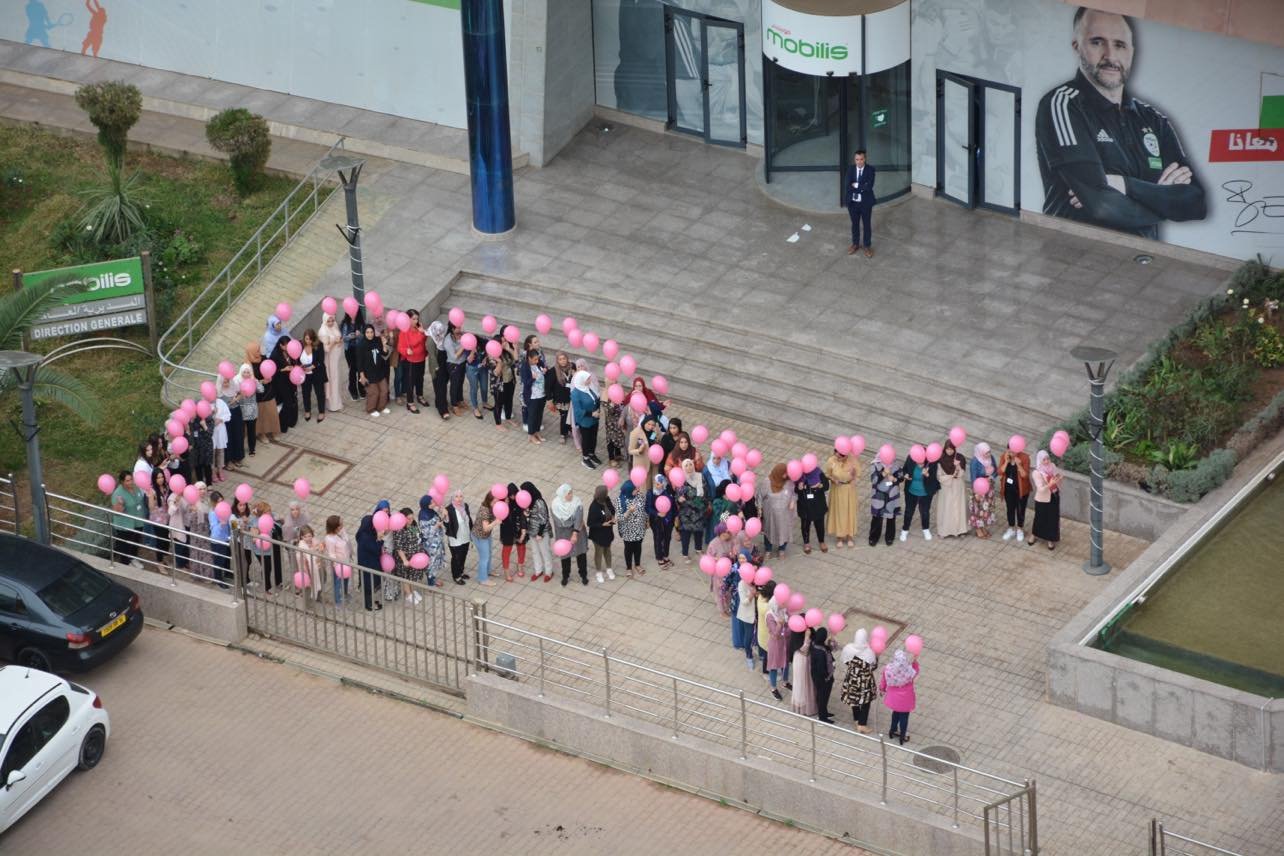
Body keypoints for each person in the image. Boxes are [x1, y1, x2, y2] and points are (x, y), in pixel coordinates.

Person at [1035, 8, 1205, 240]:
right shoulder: (1063, 104)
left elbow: (1195, 203)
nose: (1110, 56)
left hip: (1143, 259)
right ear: (1077, 47)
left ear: (1132, 52)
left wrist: (1123, 185)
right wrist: (1163, 201)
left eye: (1120, 45)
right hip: (1075, 253)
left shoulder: (1154, 121)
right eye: (1097, 42)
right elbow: (1102, 206)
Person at [839, 629, 879, 734]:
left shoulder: (848, 648)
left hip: (852, 679)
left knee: (853, 699)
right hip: (865, 682)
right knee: (866, 702)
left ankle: (857, 719)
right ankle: (862, 725)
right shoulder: (869, 652)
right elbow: (873, 666)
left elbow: (845, 661)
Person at [551, 484, 589, 586]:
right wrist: (572, 522)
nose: (571, 495)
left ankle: (583, 575)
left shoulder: (577, 503)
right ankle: (565, 576)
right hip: (563, 534)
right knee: (565, 556)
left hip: (577, 534)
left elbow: (579, 518)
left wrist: (575, 532)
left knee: (581, 554)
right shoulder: (555, 505)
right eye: (569, 493)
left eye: (571, 492)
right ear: (563, 495)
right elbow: (559, 522)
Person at [880, 649, 919, 745]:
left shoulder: (888, 669)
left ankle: (892, 730)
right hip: (906, 699)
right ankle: (902, 735)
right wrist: (914, 661)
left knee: (895, 713)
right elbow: (916, 671)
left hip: (893, 698)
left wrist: (882, 689)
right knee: (904, 717)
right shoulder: (909, 671)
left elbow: (883, 681)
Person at [900, 448, 940, 542]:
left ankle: (925, 529)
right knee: (909, 511)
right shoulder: (911, 458)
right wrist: (905, 475)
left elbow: (934, 480)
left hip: (925, 493)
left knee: (925, 512)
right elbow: (905, 469)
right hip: (911, 491)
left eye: (922, 463)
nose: (920, 464)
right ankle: (905, 530)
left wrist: (927, 475)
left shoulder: (931, 462)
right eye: (918, 463)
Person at [825, 447, 861, 548]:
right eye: (836, 453)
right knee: (839, 513)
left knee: (850, 512)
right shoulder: (831, 460)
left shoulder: (853, 460)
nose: (837, 456)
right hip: (837, 489)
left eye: (840, 455)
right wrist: (833, 479)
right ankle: (839, 537)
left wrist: (854, 478)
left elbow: (858, 474)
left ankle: (850, 536)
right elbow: (827, 474)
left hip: (849, 489)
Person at [110, 471, 147, 565]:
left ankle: (133, 558)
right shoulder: (118, 494)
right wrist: (120, 504)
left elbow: (140, 500)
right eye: (127, 481)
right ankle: (125, 562)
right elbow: (116, 513)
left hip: (138, 521)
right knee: (125, 545)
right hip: (125, 525)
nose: (130, 482)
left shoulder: (136, 487)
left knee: (136, 541)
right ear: (122, 482)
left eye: (131, 479)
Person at [845, 150, 876, 258]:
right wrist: (861, 186)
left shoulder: (870, 170)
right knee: (855, 224)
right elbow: (848, 186)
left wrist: (856, 185)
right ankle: (855, 244)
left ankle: (867, 246)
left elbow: (869, 187)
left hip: (865, 203)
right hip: (853, 203)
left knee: (866, 225)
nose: (859, 162)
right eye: (857, 159)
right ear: (855, 159)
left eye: (861, 159)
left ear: (865, 159)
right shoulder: (850, 169)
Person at [761, 583, 790, 700]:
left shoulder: (782, 611)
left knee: (786, 663)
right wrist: (780, 624)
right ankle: (773, 688)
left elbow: (789, 622)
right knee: (774, 666)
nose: (785, 604)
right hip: (775, 644)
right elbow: (775, 633)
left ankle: (785, 681)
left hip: (784, 642)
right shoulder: (770, 616)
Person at [998, 441, 1032, 542]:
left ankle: (1020, 529)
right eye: (1009, 450)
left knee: (1020, 510)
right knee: (1010, 509)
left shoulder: (1025, 457)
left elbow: (1025, 476)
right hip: (1008, 490)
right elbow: (1000, 472)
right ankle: (1011, 528)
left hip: (1021, 490)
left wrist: (1019, 464)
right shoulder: (1004, 456)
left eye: (1013, 451)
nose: (1011, 453)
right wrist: (1006, 462)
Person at [1029, 450, 1063, 550]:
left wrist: (1059, 478)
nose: (1047, 461)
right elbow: (1040, 489)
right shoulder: (1036, 472)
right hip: (1042, 499)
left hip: (1054, 496)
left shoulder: (1052, 466)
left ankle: (1050, 539)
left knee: (1052, 518)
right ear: (1040, 460)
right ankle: (1034, 535)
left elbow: (1058, 475)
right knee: (1040, 518)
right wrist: (1050, 484)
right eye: (1044, 459)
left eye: (1048, 458)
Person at [246, 344, 280, 443]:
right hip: (258, 392)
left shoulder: (264, 358)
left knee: (271, 412)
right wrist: (261, 382)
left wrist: (270, 378)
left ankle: (273, 431)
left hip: (269, 390)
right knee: (261, 414)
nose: (258, 352)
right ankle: (261, 434)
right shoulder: (248, 364)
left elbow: (271, 369)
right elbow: (248, 380)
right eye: (256, 351)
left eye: (258, 350)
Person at [674, 458, 707, 562]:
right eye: (686, 465)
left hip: (699, 509)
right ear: (683, 468)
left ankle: (698, 549)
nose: (689, 467)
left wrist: (700, 502)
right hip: (686, 512)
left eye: (690, 464)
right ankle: (685, 553)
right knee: (686, 533)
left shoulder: (700, 476)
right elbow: (678, 496)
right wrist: (679, 499)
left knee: (698, 531)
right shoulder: (681, 479)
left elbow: (704, 491)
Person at [936, 441, 970, 538]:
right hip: (946, 487)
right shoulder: (941, 459)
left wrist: (957, 466)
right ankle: (945, 531)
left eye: (951, 449)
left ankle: (961, 530)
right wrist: (950, 477)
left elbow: (962, 474)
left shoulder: (960, 458)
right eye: (947, 449)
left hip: (958, 486)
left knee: (959, 507)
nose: (949, 451)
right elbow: (939, 476)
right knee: (947, 507)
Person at [759, 463, 794, 558]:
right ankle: (768, 549)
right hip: (770, 514)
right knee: (769, 530)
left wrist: (793, 501)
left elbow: (794, 493)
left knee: (784, 530)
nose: (785, 475)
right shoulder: (767, 482)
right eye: (784, 473)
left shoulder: (789, 482)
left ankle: (782, 549)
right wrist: (759, 509)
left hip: (785, 515)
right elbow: (759, 497)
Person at [521, 482, 553, 582]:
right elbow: (530, 515)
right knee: (535, 552)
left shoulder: (539, 502)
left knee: (545, 552)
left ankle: (549, 572)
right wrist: (526, 514)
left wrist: (539, 534)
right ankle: (538, 570)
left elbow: (544, 519)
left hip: (541, 532)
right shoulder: (528, 501)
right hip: (531, 531)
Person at [397, 310, 428, 413]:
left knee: (420, 379)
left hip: (421, 358)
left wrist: (424, 333)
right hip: (411, 361)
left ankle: (420, 395)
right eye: (413, 319)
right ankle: (410, 402)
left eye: (417, 319)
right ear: (408, 319)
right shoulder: (404, 332)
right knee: (411, 381)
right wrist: (406, 350)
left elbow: (424, 341)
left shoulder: (418, 329)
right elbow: (400, 348)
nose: (416, 321)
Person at [794, 464, 829, 554]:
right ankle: (806, 543)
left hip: (818, 503)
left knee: (820, 524)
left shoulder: (819, 473)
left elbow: (826, 486)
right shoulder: (799, 475)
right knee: (805, 525)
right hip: (805, 504)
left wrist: (820, 485)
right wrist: (799, 487)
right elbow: (795, 490)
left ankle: (821, 541)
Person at [357, 325, 391, 417]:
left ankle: (381, 407)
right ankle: (370, 409)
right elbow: (359, 362)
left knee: (384, 390)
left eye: (371, 332)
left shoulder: (377, 340)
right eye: (367, 332)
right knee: (374, 392)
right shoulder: (361, 345)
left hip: (380, 371)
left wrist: (384, 344)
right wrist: (362, 376)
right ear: (364, 333)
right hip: (368, 373)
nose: (370, 334)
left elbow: (384, 353)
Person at [616, 480, 648, 578]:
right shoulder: (620, 500)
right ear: (629, 490)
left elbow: (644, 510)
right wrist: (629, 511)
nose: (638, 490)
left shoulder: (640, 496)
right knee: (629, 549)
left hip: (639, 528)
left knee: (638, 547)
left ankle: (637, 564)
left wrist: (647, 521)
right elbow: (619, 518)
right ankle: (629, 567)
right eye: (635, 489)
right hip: (628, 531)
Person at [868, 458, 902, 547]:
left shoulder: (896, 464)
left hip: (892, 495)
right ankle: (873, 537)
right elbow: (873, 480)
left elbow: (901, 478)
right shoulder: (875, 465)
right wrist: (883, 473)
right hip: (879, 496)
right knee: (877, 518)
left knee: (891, 518)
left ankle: (889, 537)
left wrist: (894, 479)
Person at [268, 336, 299, 433]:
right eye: (286, 346)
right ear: (281, 346)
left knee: (293, 400)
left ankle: (292, 421)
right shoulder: (275, 355)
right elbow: (272, 371)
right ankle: (283, 425)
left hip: (291, 380)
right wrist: (283, 369)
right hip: (281, 383)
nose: (288, 347)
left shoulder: (290, 351)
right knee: (287, 403)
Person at [587, 485, 617, 584]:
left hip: (608, 531)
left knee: (607, 550)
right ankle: (598, 572)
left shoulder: (607, 500)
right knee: (599, 552)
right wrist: (602, 524)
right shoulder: (594, 507)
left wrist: (612, 517)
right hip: (598, 534)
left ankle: (609, 568)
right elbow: (590, 523)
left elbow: (612, 509)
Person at [318, 312, 346, 414]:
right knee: (332, 381)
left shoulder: (335, 325)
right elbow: (326, 349)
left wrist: (340, 341)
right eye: (328, 321)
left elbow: (338, 337)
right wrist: (335, 342)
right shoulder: (323, 332)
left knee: (337, 380)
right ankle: (333, 405)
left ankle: (337, 402)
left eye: (332, 320)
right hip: (329, 361)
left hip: (336, 359)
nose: (330, 323)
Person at [298, 329, 328, 422]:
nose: (308, 341)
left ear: (314, 339)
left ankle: (321, 412)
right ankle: (307, 411)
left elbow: (320, 360)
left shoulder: (319, 345)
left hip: (316, 373)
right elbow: (296, 358)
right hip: (305, 375)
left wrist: (312, 367)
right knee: (305, 393)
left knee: (319, 393)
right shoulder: (300, 345)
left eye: (310, 339)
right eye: (306, 339)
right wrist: (300, 366)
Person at [646, 474, 676, 568]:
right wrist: (657, 513)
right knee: (658, 538)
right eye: (655, 483)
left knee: (667, 538)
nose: (656, 485)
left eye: (658, 483)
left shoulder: (668, 491)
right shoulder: (651, 493)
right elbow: (647, 508)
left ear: (663, 484)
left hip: (668, 520)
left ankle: (666, 556)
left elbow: (673, 505)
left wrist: (676, 517)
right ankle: (659, 558)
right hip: (656, 521)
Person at [969, 442, 998, 538]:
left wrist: (992, 477)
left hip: (989, 487)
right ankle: (978, 529)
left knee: (986, 509)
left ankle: (983, 527)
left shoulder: (991, 458)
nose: (988, 454)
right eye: (986, 453)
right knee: (978, 509)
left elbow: (996, 471)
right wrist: (976, 492)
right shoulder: (975, 461)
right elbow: (973, 477)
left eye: (989, 452)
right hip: (979, 488)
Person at [488, 336, 518, 428]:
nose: (505, 343)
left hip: (510, 381)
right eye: (503, 342)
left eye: (505, 341)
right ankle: (498, 424)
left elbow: (516, 360)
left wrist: (511, 349)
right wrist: (500, 362)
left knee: (509, 401)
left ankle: (508, 418)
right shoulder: (492, 356)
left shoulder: (506, 352)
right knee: (499, 404)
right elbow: (496, 373)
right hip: (500, 385)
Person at [354, 514, 382, 611]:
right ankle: (369, 605)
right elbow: (376, 550)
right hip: (368, 565)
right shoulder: (366, 538)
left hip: (367, 562)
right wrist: (379, 539)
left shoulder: (363, 533)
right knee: (369, 585)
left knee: (369, 584)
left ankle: (370, 601)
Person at [417, 496, 446, 587]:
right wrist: (436, 526)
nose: (434, 503)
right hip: (431, 545)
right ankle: (431, 584)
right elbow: (426, 534)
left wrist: (443, 513)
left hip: (437, 542)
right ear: (427, 505)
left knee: (436, 561)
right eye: (432, 502)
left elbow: (438, 519)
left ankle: (433, 579)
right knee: (432, 563)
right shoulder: (424, 517)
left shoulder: (431, 511)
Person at [499, 483, 526, 581]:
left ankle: (520, 566)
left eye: (514, 494)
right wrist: (505, 505)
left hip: (518, 528)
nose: (513, 497)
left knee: (521, 547)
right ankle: (507, 573)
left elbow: (523, 516)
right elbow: (501, 517)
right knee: (506, 550)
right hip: (507, 530)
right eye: (511, 495)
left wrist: (523, 532)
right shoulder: (503, 502)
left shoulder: (520, 501)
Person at [520, 349, 549, 443]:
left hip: (541, 394)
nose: (537, 361)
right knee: (532, 416)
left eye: (538, 359)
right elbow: (526, 383)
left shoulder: (539, 363)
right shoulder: (525, 367)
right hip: (532, 396)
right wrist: (532, 378)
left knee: (539, 415)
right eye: (535, 359)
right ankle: (531, 435)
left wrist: (545, 371)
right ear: (529, 358)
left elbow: (544, 370)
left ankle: (537, 432)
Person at [731, 559, 756, 667]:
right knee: (748, 636)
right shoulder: (741, 584)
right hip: (747, 615)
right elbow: (744, 602)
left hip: (757, 612)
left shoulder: (755, 581)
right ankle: (749, 656)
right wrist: (751, 595)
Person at [445, 491, 472, 585]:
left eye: (461, 496)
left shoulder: (465, 506)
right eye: (456, 496)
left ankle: (461, 571)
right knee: (456, 557)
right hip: (455, 539)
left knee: (463, 555)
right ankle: (456, 576)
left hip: (465, 536)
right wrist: (445, 516)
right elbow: (446, 523)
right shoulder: (449, 510)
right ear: (453, 498)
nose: (459, 498)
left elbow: (469, 520)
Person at [809, 626, 836, 724]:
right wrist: (827, 677)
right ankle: (822, 717)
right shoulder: (820, 652)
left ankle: (824, 712)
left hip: (818, 677)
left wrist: (831, 641)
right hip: (823, 678)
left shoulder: (816, 645)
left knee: (822, 696)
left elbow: (829, 649)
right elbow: (821, 669)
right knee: (823, 696)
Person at [324, 515, 352, 606]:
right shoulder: (329, 539)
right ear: (335, 527)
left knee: (346, 579)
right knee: (338, 583)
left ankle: (345, 593)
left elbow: (347, 541)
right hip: (338, 566)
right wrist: (337, 567)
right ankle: (337, 601)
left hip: (346, 561)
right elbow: (332, 554)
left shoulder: (341, 531)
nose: (343, 525)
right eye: (340, 524)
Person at [236, 364, 264, 455]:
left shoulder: (253, 381)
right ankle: (240, 450)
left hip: (252, 411)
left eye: (248, 372)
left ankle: (252, 449)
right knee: (241, 432)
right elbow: (233, 395)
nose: (246, 374)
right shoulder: (237, 381)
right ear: (241, 372)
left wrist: (256, 382)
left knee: (251, 431)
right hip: (241, 411)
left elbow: (261, 390)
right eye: (244, 372)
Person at [789, 628, 817, 717]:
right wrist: (807, 636)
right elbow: (804, 650)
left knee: (805, 684)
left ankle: (805, 706)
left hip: (803, 660)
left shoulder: (797, 635)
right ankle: (803, 708)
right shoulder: (800, 637)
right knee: (801, 684)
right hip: (801, 661)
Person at [472, 492, 498, 587]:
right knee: (484, 557)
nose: (496, 504)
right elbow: (486, 528)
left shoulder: (491, 507)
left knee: (489, 553)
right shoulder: (485, 511)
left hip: (486, 535)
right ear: (489, 501)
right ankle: (482, 579)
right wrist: (496, 522)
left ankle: (488, 571)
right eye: (494, 502)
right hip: (480, 536)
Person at [427, 321, 451, 419]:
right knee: (440, 387)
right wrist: (437, 368)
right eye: (438, 332)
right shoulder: (430, 340)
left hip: (444, 364)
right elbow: (432, 356)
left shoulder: (440, 337)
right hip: (436, 366)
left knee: (441, 386)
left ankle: (439, 402)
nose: (440, 334)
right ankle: (443, 410)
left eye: (441, 331)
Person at [549, 352, 575, 444]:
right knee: (564, 416)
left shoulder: (572, 367)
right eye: (560, 359)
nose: (563, 361)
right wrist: (550, 400)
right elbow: (548, 386)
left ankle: (570, 430)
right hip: (561, 399)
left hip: (572, 397)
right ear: (557, 360)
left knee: (571, 415)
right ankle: (563, 434)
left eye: (564, 358)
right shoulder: (553, 371)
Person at [341, 308, 365, 400]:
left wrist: (360, 335)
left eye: (354, 312)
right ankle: (352, 390)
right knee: (352, 370)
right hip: (349, 350)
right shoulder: (345, 323)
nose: (352, 314)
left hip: (359, 350)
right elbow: (343, 338)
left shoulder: (361, 323)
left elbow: (366, 337)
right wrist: (349, 337)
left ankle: (361, 388)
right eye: (350, 312)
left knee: (360, 370)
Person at [295, 525, 324, 602]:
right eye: (305, 537)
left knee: (321, 580)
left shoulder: (315, 541)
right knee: (308, 588)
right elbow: (302, 564)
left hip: (318, 566)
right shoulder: (302, 547)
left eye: (310, 536)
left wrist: (321, 549)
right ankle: (308, 603)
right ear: (301, 537)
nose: (308, 538)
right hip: (308, 571)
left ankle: (318, 596)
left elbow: (320, 551)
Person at [464, 333, 490, 419]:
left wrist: (486, 358)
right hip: (472, 369)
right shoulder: (467, 346)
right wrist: (472, 351)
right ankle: (475, 408)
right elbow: (469, 360)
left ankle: (485, 403)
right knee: (474, 388)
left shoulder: (484, 342)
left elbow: (490, 350)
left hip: (483, 368)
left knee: (484, 387)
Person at [445, 324, 467, 414]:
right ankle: (454, 405)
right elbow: (454, 357)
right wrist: (463, 346)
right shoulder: (448, 340)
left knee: (460, 382)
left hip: (462, 363)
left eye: (460, 327)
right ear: (452, 329)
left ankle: (460, 400)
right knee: (454, 384)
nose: (459, 329)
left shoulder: (461, 335)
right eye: (457, 328)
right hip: (453, 365)